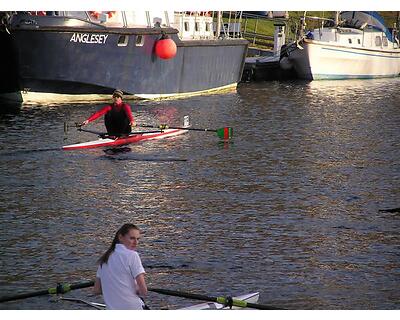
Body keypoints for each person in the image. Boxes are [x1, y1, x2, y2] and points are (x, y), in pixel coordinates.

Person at [94, 223, 148, 310]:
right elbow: (144, 291)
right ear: (120, 237)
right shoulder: (132, 255)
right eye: (132, 238)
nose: (136, 242)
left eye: (138, 239)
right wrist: (137, 289)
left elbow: (96, 290)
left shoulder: (104, 258)